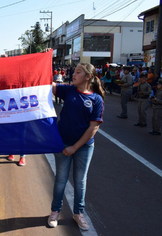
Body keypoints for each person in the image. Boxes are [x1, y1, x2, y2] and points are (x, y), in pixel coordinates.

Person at [48, 62, 104, 231]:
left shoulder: (96, 99)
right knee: (60, 180)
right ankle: (54, 211)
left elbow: (93, 127)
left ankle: (78, 213)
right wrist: (44, 62)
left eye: (78, 72)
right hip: (63, 143)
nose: (74, 74)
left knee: (80, 182)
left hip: (84, 147)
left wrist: (75, 147)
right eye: (74, 71)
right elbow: (46, 85)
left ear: (88, 77)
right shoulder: (68, 90)